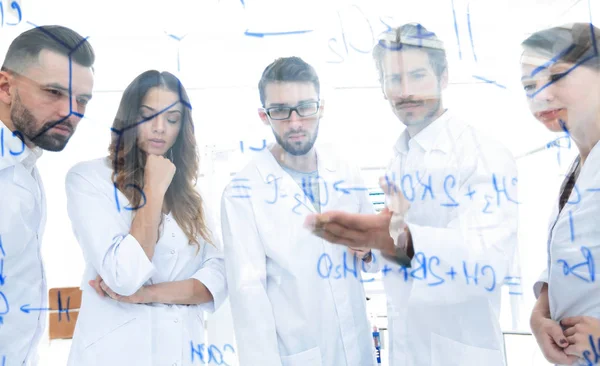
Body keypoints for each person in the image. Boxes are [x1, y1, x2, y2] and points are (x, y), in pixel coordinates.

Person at [305, 23, 519, 366]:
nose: (405, 91)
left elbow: (487, 264)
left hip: (461, 352)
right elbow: (399, 257)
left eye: (418, 76)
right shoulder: (400, 158)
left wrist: (400, 239)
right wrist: (371, 249)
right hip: (408, 351)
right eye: (393, 79)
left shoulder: (482, 154)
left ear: (444, 77)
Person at [221, 56, 376, 366]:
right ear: (264, 116)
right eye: (280, 111)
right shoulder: (242, 193)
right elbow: (249, 303)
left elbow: (376, 257)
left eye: (305, 107)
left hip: (357, 350)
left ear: (321, 108)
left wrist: (369, 251)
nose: (295, 123)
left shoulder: (346, 172)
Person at [65, 70, 227, 366]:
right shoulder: (89, 179)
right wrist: (153, 188)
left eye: (172, 119)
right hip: (116, 353)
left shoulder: (192, 195)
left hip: (181, 352)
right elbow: (124, 277)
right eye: (148, 115)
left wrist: (146, 294)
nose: (160, 128)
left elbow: (216, 280)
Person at [0, 25, 95, 366]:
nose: (71, 112)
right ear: (5, 86)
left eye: (82, 100)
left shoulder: (24, 164)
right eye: (54, 92)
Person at [522, 23, 600, 365]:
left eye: (556, 76)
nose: (541, 95)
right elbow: (568, 258)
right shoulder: (577, 169)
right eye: (529, 85)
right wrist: (540, 314)